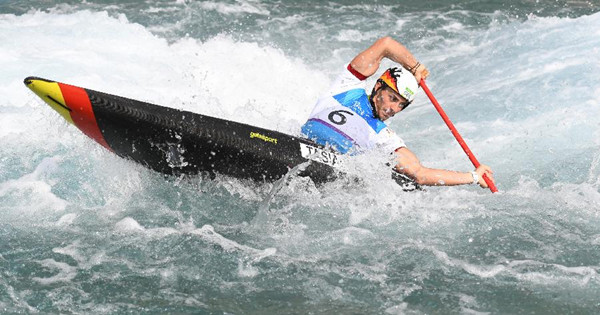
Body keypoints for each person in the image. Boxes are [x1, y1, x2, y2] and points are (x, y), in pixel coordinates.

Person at [301, 36, 495, 188]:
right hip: (299, 146)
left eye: (401, 105)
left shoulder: (384, 136)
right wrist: (415, 67)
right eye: (393, 98)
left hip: (331, 167)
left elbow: (419, 174)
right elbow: (386, 45)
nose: (394, 109)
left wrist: (474, 177)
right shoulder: (347, 87)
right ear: (378, 86)